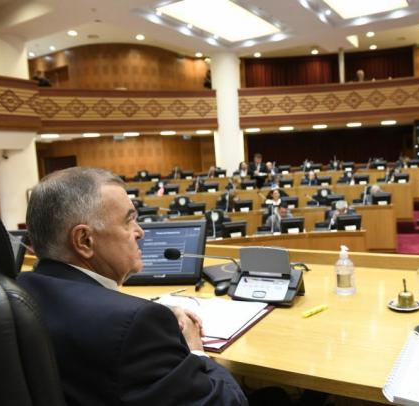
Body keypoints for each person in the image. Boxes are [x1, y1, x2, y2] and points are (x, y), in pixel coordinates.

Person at [17, 167, 247, 406]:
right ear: (84, 240)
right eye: (128, 221)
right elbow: (226, 402)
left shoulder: (18, 292)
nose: (140, 232)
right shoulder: (136, 325)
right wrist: (195, 351)